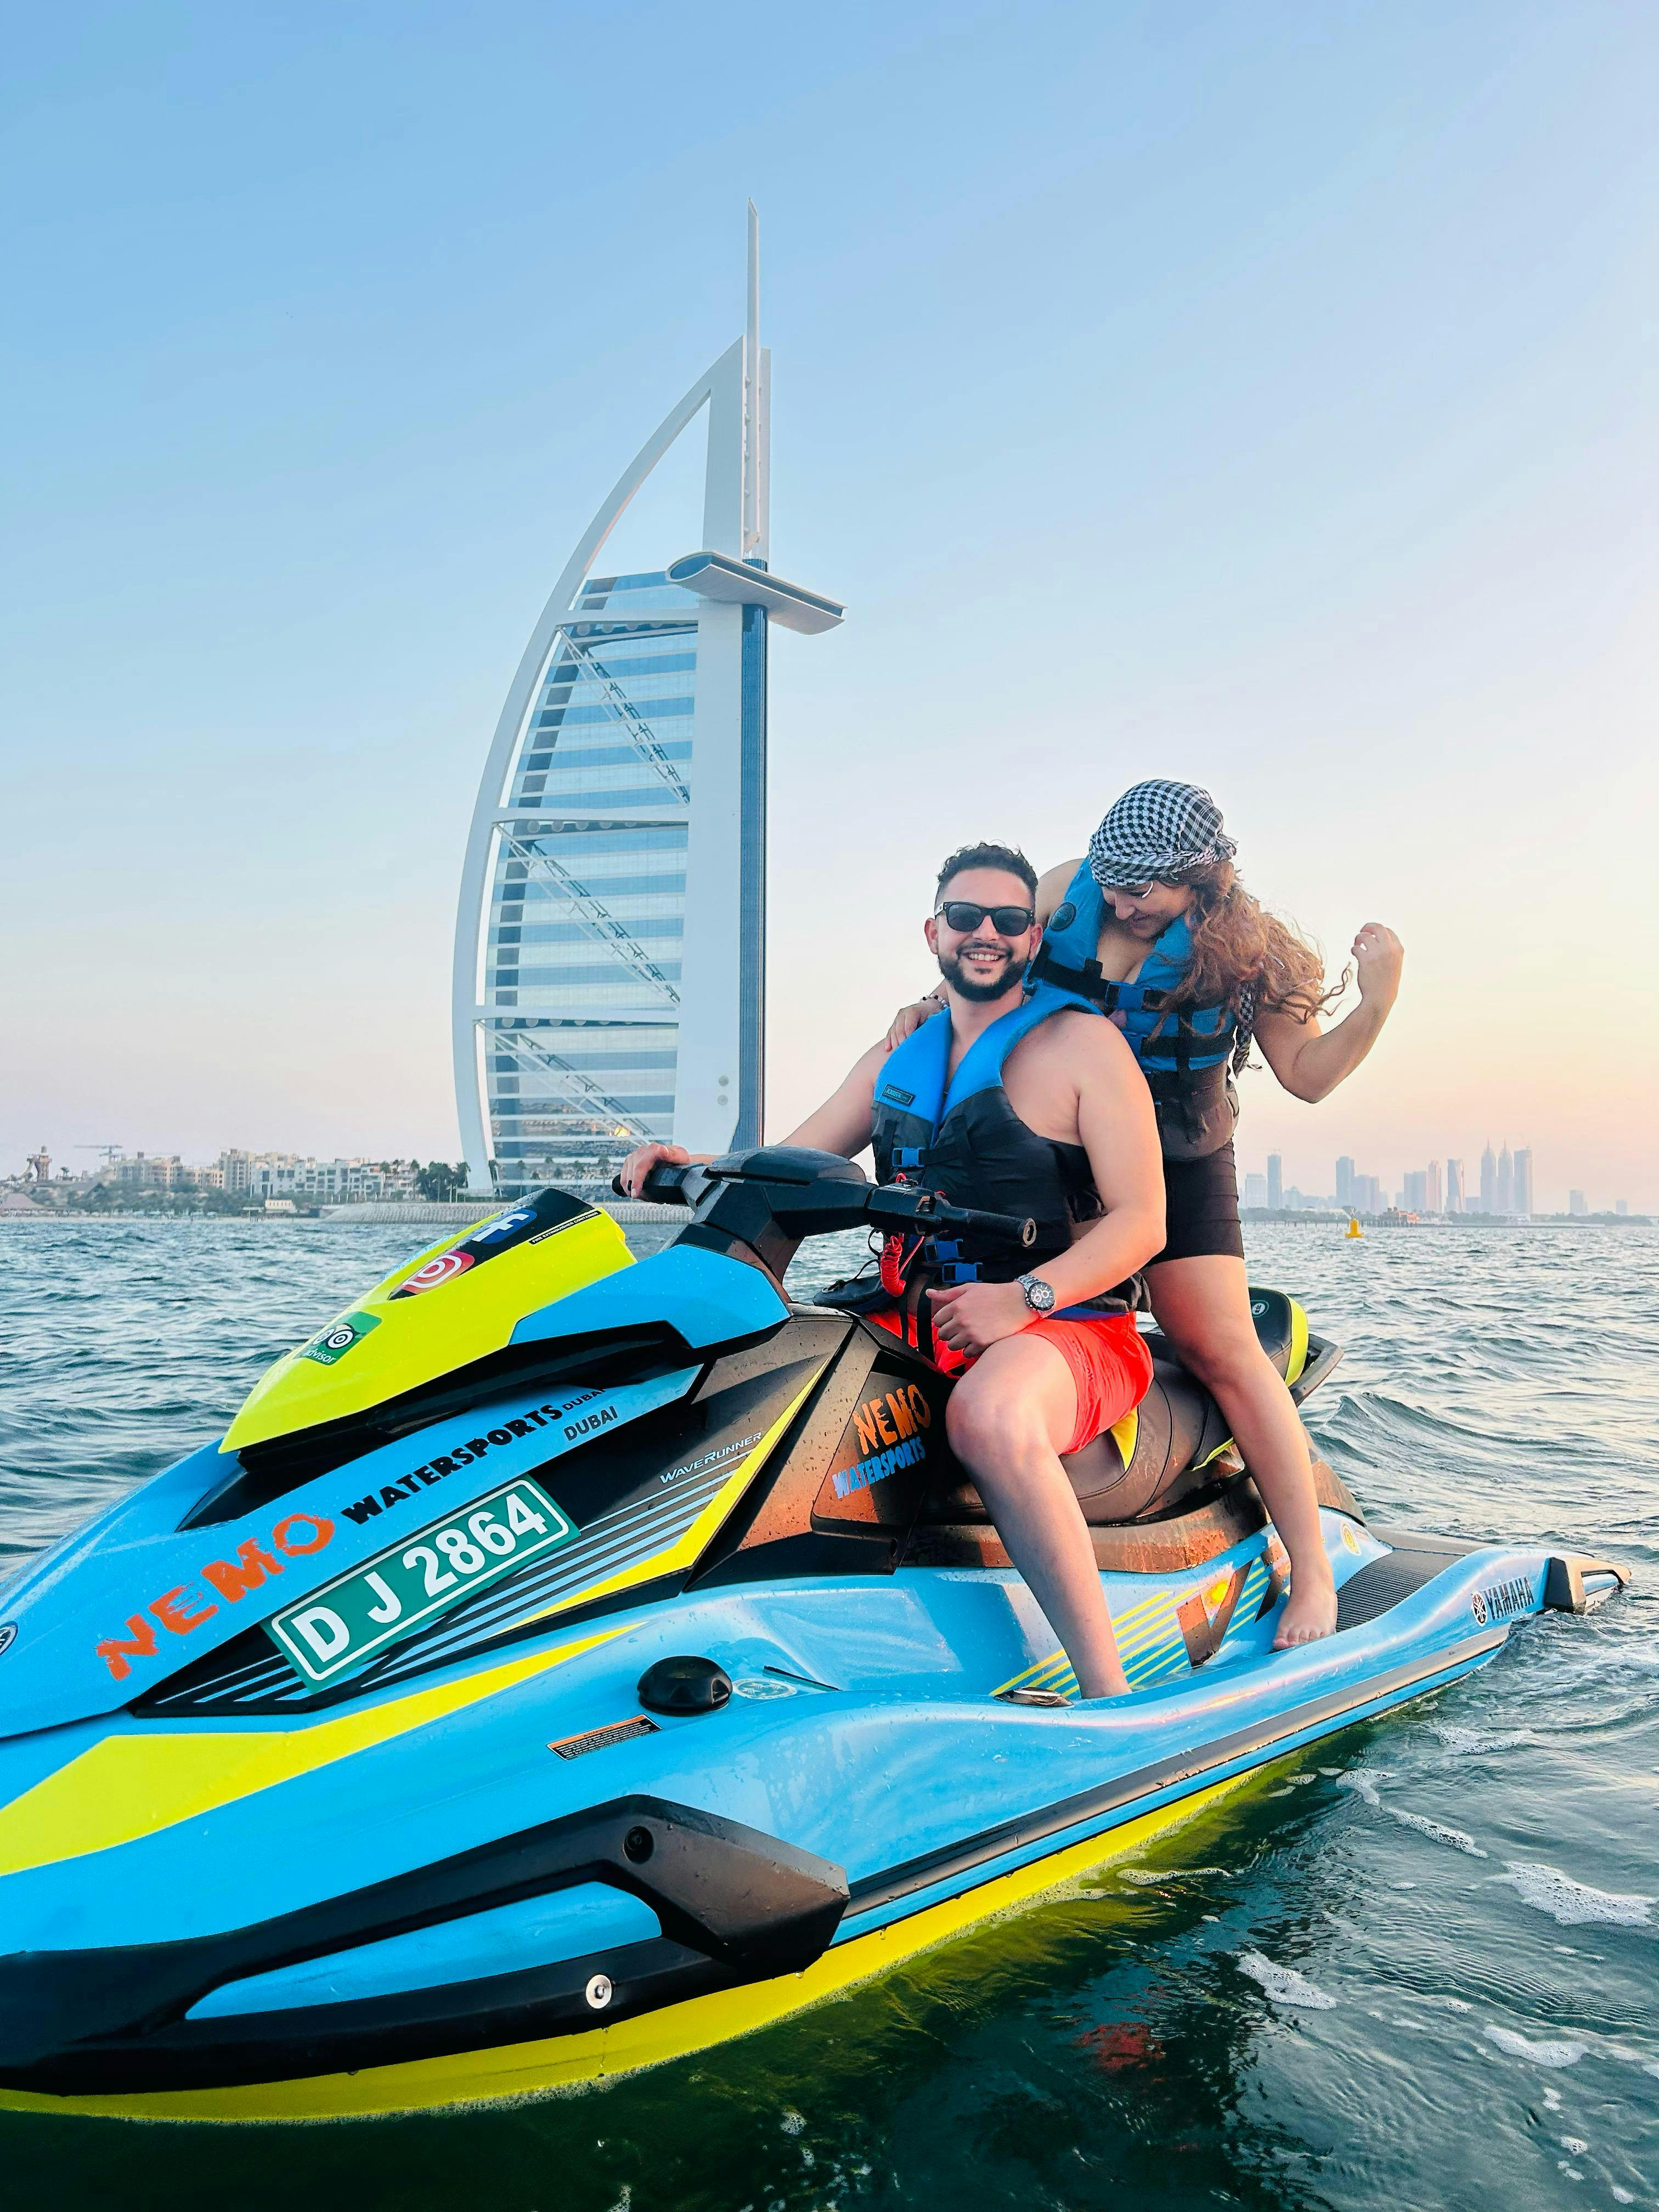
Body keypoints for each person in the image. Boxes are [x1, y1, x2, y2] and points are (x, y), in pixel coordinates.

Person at [621, 843, 1166, 1700]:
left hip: (1066, 1323)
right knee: (759, 1365)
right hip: (911, 1311)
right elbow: (789, 1161)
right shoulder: (895, 1057)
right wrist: (691, 1162)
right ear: (933, 931)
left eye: (1009, 920)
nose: (985, 933)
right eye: (965, 917)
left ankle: (1109, 1695)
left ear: (1032, 940)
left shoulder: (1084, 1046)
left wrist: (1022, 1299)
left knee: (989, 1417)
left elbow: (1144, 1222)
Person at [887, 782, 1404, 1648]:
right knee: (1021, 1317)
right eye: (1112, 879)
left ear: (1203, 881)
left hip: (1182, 1153)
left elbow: (1308, 1075)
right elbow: (994, 953)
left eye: (1143, 890)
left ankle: (1312, 1574)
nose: (1120, 900)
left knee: (1221, 1348)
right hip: (1061, 1142)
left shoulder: (1257, 952)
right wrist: (934, 1006)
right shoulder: (1068, 887)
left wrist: (1378, 1002)